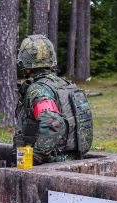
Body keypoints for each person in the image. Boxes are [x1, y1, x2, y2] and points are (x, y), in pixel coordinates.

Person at [14, 35, 93, 165]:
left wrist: (36, 156)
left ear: (25, 62)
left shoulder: (38, 90)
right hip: (71, 160)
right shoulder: (63, 84)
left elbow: (53, 122)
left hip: (49, 163)